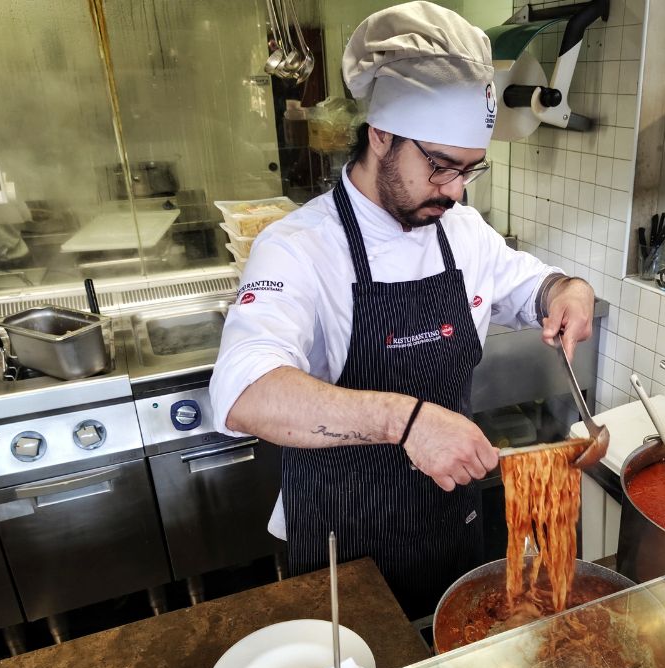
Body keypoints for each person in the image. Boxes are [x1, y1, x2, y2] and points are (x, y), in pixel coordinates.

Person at [210, 0, 596, 618]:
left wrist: (568, 292)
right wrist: (407, 422)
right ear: (381, 134)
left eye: (470, 170)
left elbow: (533, 287)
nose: (454, 189)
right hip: (349, 546)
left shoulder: (462, 229)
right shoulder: (300, 246)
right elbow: (243, 393)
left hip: (452, 522)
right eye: (440, 166)